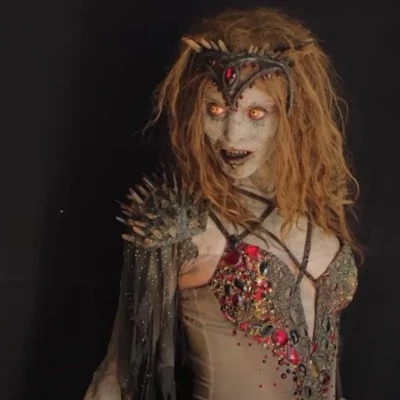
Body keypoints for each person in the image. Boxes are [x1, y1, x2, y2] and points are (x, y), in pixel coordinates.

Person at [83, 7, 359, 400]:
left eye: (256, 112)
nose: (232, 134)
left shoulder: (314, 210)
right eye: (215, 110)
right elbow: (117, 373)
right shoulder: (182, 223)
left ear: (294, 117)